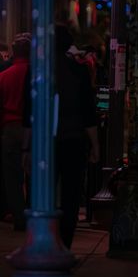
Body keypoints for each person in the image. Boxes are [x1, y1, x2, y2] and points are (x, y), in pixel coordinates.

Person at [55, 24, 100, 248]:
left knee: (47, 192)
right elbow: (88, 112)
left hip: (47, 140)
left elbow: (28, 112)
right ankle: (65, 242)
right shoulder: (78, 70)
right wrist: (95, 146)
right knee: (71, 194)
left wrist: (27, 148)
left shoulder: (40, 70)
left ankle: (49, 238)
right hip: (73, 139)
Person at [0, 33, 31, 231]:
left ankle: (19, 217)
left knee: (12, 177)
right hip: (32, 129)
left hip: (10, 129)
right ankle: (34, 213)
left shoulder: (4, 76)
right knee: (34, 174)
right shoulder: (37, 76)